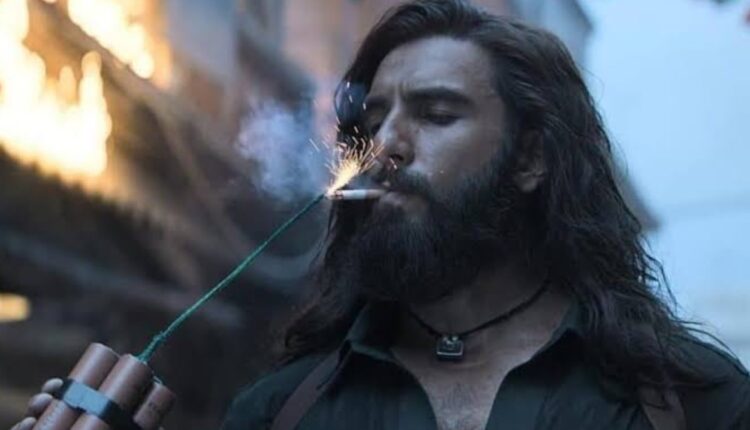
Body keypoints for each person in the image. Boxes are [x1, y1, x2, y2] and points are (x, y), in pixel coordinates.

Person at [12, 1, 749, 430]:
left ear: (530, 159)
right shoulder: (283, 410)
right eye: (373, 120)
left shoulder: (691, 401)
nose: (385, 146)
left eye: (437, 113)